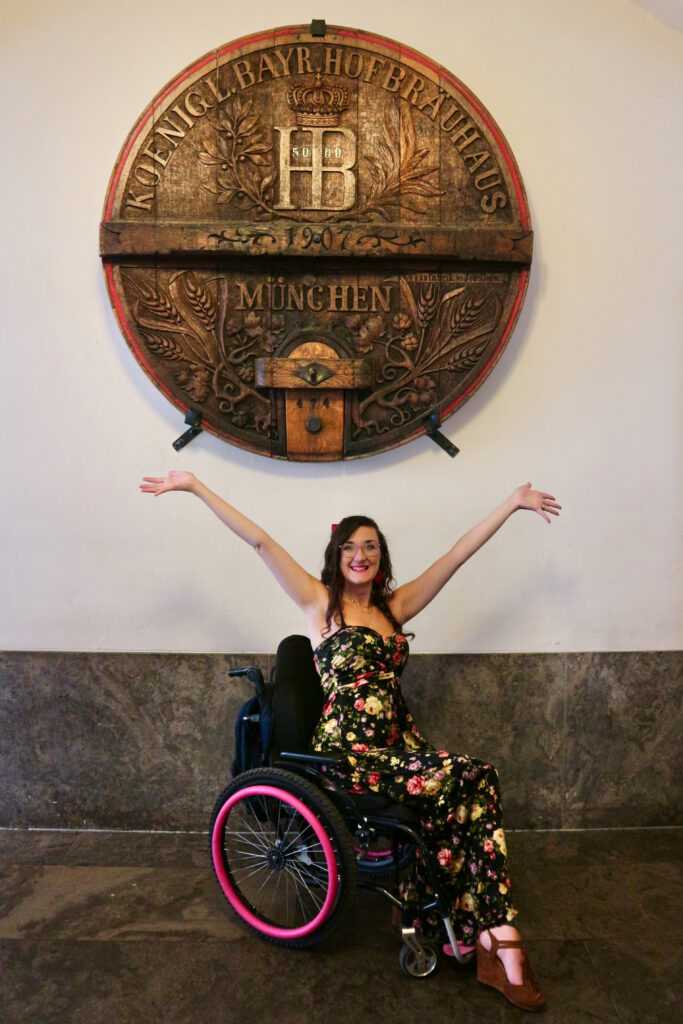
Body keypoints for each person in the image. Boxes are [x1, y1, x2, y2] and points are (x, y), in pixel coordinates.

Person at [140, 470, 560, 1011]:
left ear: (380, 558)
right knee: (471, 778)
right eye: (350, 547)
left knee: (475, 784)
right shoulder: (321, 606)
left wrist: (511, 503)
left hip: (396, 747)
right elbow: (262, 540)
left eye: (371, 547)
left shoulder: (394, 609)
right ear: (336, 556)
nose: (360, 555)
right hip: (348, 754)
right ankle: (498, 939)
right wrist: (195, 487)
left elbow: (456, 557)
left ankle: (460, 922)